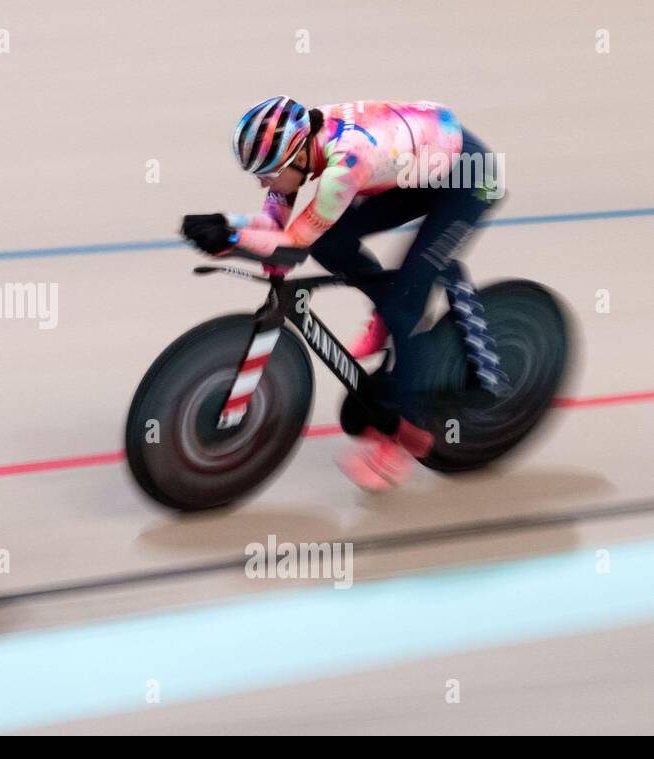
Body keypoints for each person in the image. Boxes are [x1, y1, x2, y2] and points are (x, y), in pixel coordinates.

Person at [182, 96, 501, 491]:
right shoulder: (300, 148)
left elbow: (292, 244)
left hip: (468, 180)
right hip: (421, 164)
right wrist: (225, 224)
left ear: (297, 158)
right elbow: (273, 222)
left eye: (266, 173)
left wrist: (231, 238)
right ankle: (393, 300)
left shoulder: (343, 167)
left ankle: (406, 435)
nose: (262, 183)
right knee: (332, 243)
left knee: (405, 307)